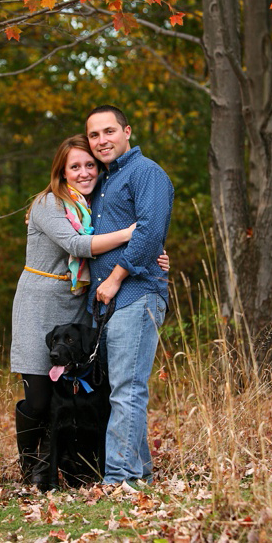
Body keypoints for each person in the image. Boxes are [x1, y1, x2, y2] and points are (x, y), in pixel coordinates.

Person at [10, 135, 169, 487]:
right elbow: (76, 245)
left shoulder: (91, 204)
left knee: (81, 390)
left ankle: (75, 463)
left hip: (79, 304)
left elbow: (110, 247)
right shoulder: (50, 203)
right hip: (39, 303)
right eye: (75, 167)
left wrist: (152, 253)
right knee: (38, 396)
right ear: (62, 172)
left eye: (89, 165)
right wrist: (133, 234)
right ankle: (32, 467)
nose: (84, 172)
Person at [84, 105, 173, 486]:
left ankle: (120, 479)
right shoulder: (102, 182)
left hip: (136, 294)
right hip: (107, 302)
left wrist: (117, 277)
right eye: (94, 135)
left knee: (127, 388)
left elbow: (150, 232)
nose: (102, 140)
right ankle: (140, 474)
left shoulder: (146, 173)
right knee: (121, 389)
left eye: (109, 131)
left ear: (127, 132)